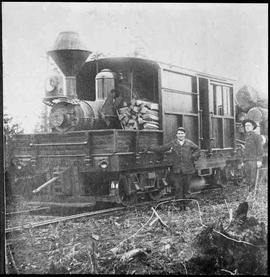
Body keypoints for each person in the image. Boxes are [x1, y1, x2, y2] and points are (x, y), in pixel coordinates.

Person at [147, 127, 200, 210]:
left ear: (185, 134)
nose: (180, 135)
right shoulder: (173, 143)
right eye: (179, 133)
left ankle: (186, 206)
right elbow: (162, 148)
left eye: (182, 133)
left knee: (186, 188)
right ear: (176, 135)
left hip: (188, 170)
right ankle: (179, 206)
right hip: (177, 170)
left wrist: (193, 157)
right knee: (178, 188)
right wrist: (151, 148)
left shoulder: (189, 143)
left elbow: (197, 149)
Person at [242, 119, 264, 192]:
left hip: (254, 161)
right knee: (248, 178)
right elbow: (245, 150)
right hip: (247, 161)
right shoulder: (246, 137)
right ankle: (250, 193)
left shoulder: (257, 137)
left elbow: (260, 149)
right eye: (245, 126)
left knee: (253, 178)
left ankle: (254, 194)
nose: (247, 127)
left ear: (253, 127)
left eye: (249, 125)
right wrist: (243, 161)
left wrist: (259, 160)